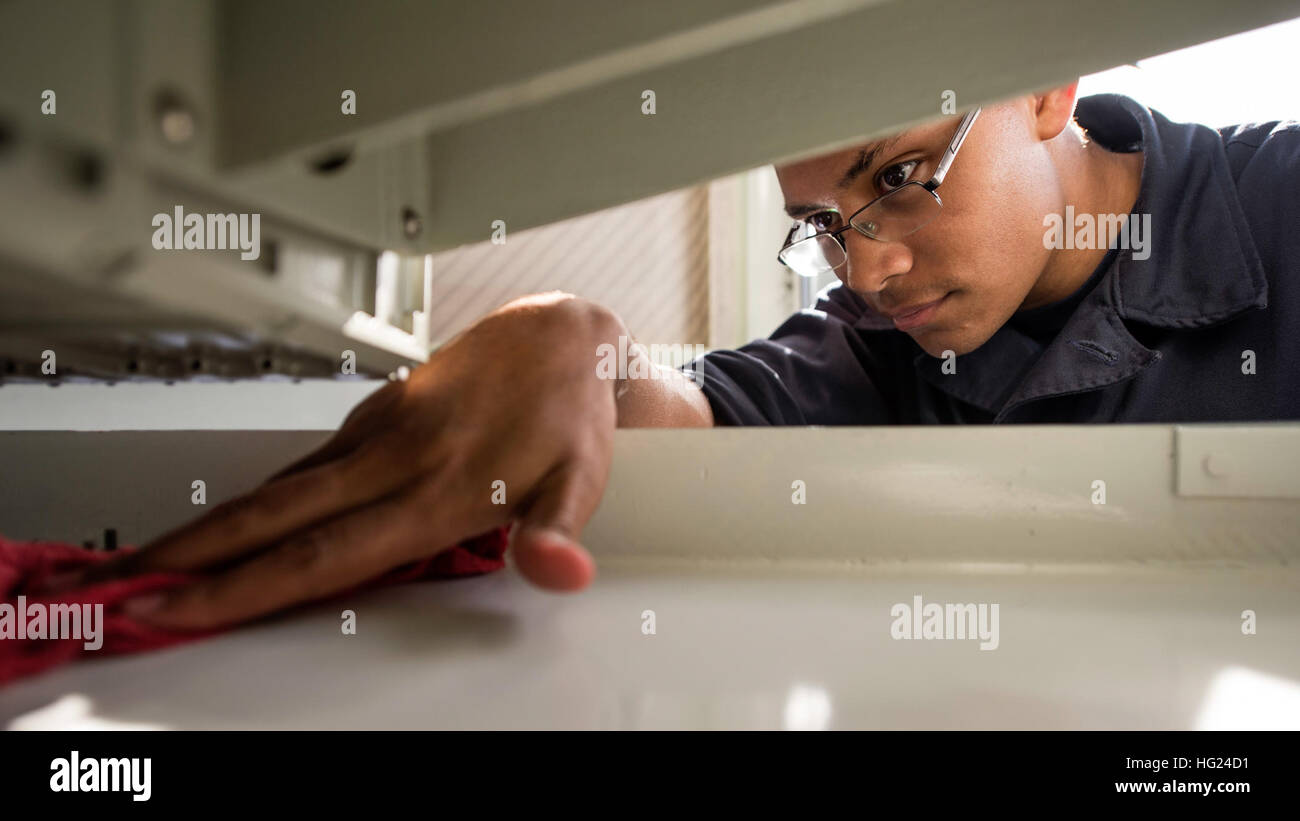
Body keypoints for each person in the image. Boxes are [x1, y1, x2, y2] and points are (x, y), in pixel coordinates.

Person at [46, 83, 1300, 628]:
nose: (867, 269)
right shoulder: (881, 342)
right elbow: (706, 415)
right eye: (822, 225)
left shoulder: (1283, 199)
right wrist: (565, 341)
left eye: (900, 176)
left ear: (1044, 88)